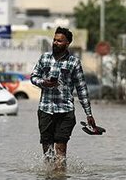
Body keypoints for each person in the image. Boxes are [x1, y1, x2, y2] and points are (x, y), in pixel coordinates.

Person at [30, 27, 96, 169]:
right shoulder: (44, 58)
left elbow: (81, 89)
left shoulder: (74, 63)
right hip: (45, 110)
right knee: (47, 149)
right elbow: (33, 77)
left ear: (67, 43)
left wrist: (88, 113)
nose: (55, 43)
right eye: (54, 40)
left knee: (61, 148)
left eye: (59, 41)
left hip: (65, 111)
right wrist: (44, 83)